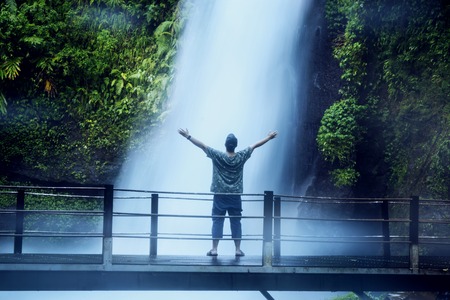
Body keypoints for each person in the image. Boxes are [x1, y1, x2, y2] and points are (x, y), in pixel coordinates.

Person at [178, 128, 278, 257]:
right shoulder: (241, 156)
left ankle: (214, 249)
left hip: (220, 195)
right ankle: (237, 249)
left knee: (217, 220)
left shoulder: (218, 156)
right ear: (235, 146)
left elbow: (202, 145)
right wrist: (269, 137)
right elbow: (255, 146)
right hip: (235, 196)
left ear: (225, 145)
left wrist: (188, 136)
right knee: (236, 221)